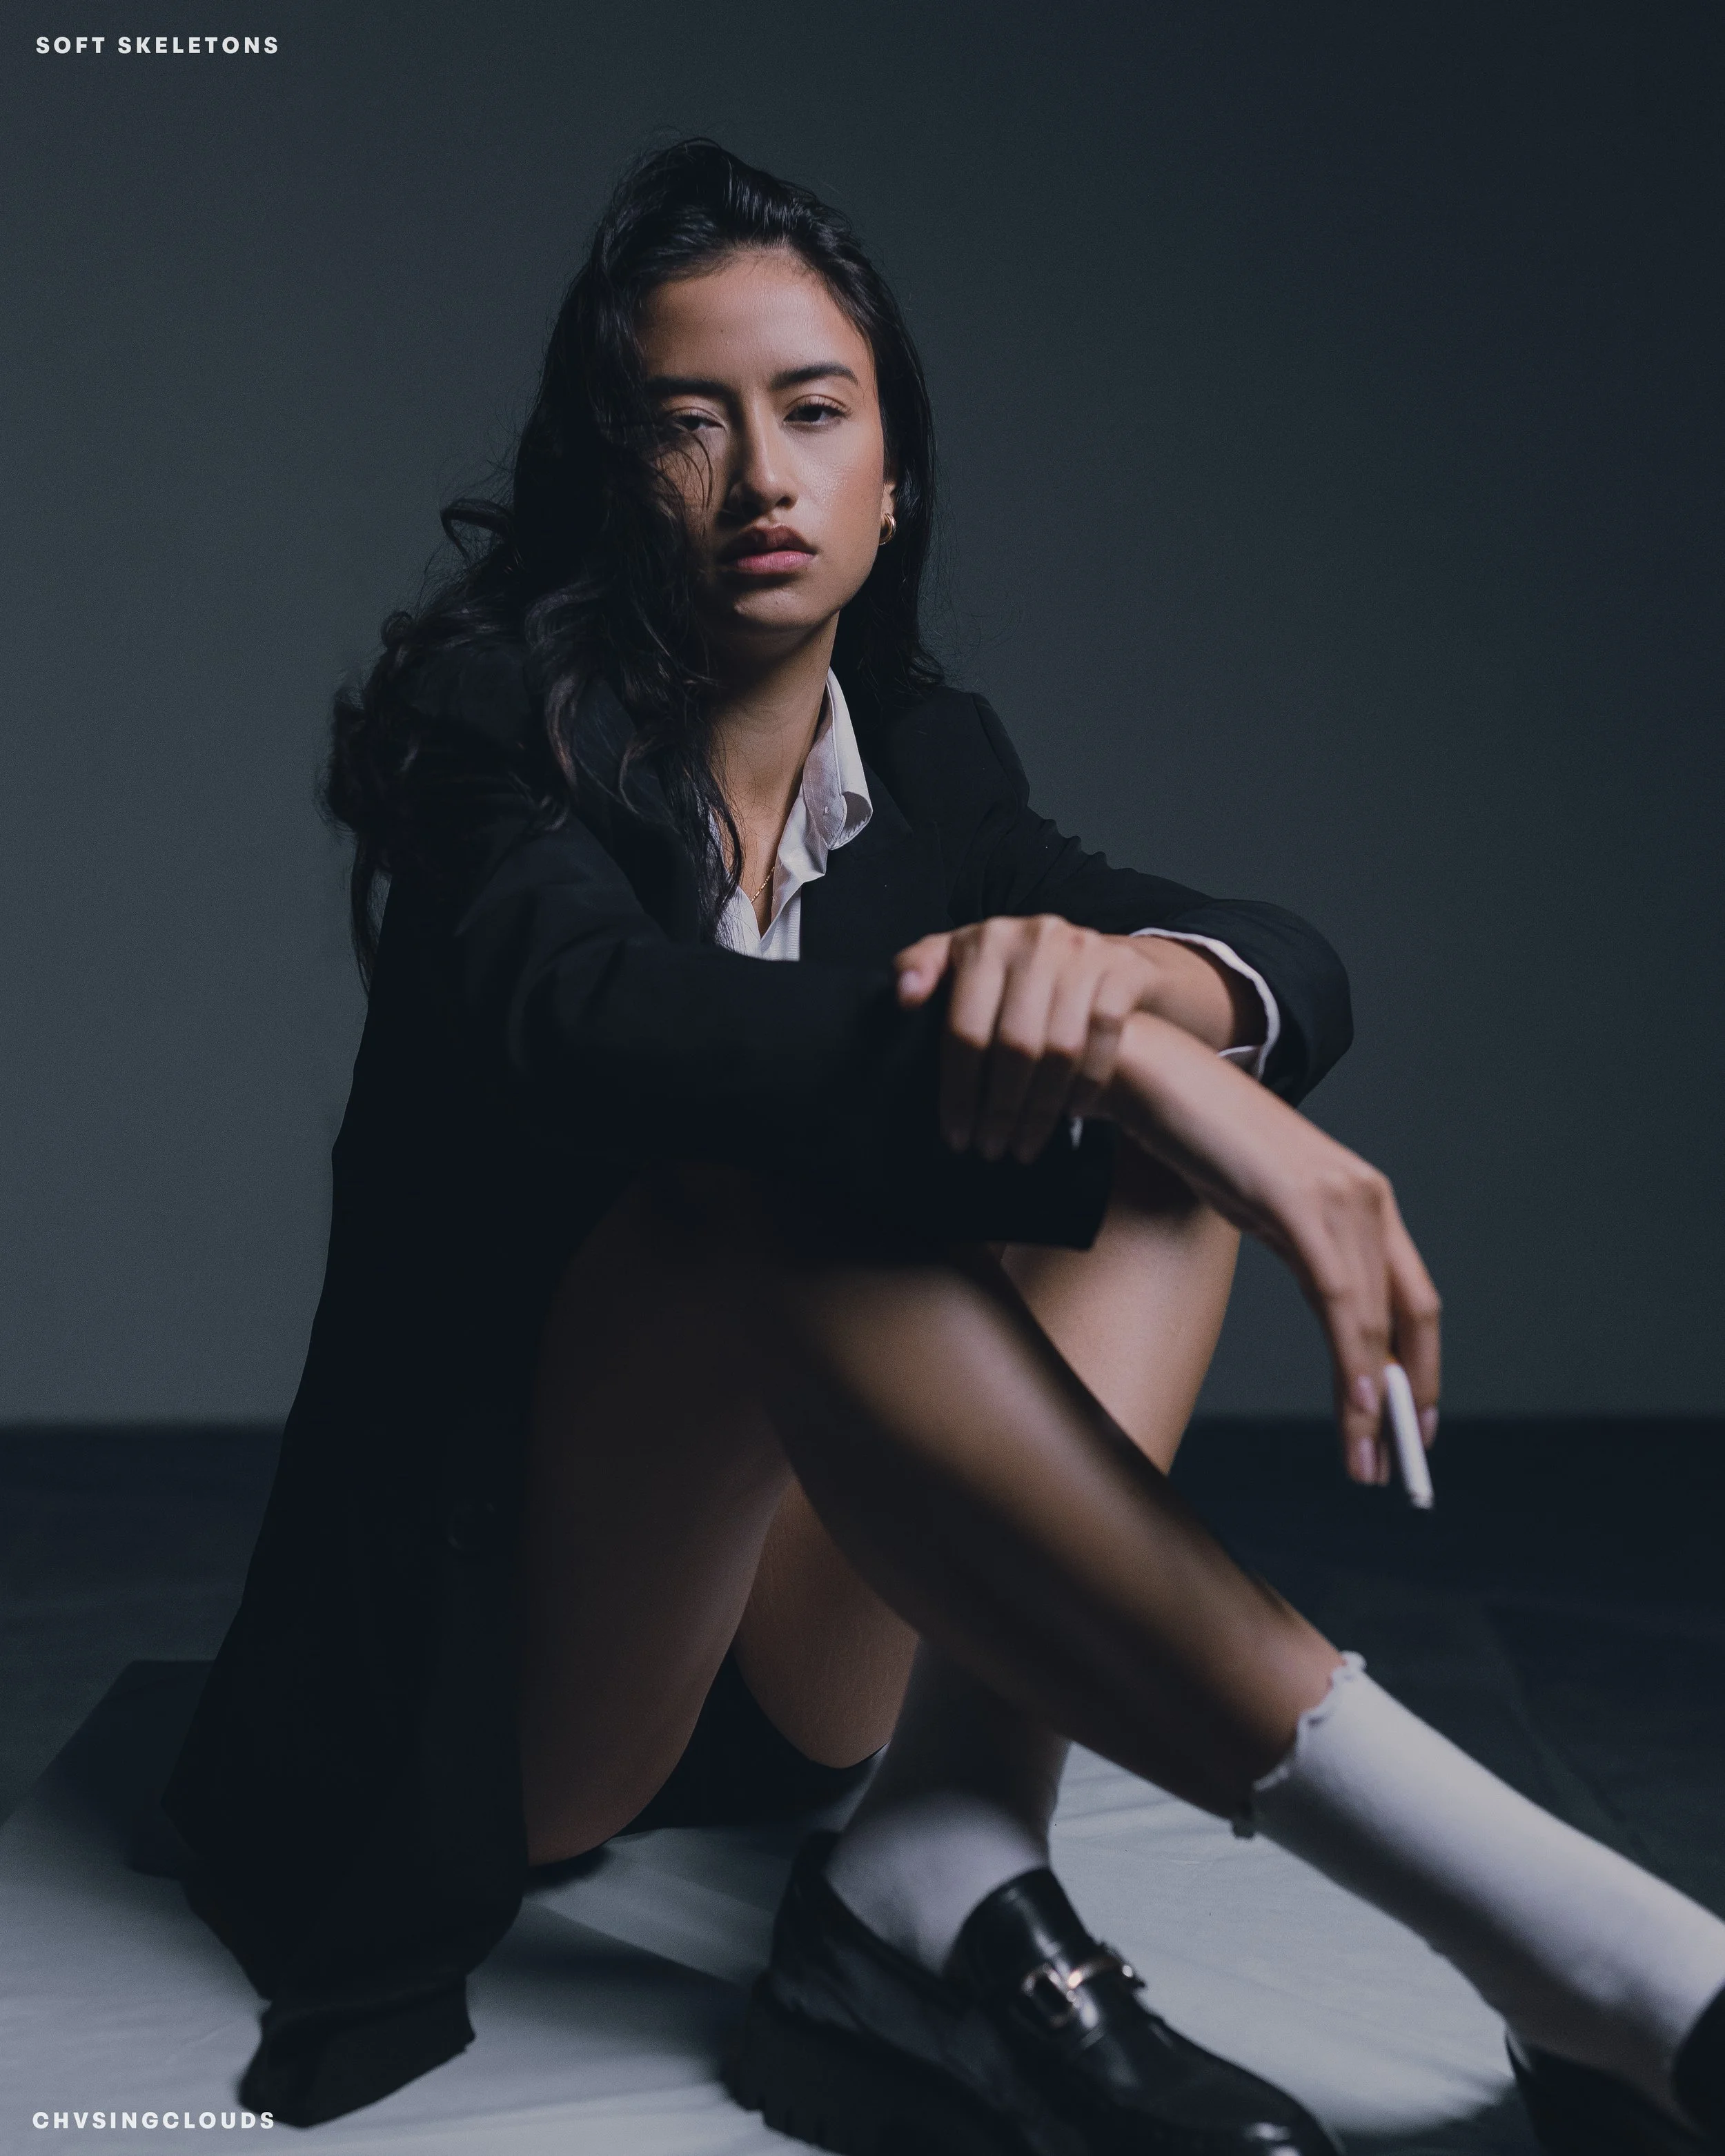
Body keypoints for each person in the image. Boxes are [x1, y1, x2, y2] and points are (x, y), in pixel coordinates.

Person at [161, 141, 1725, 2156]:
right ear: (604, 477)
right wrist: (1163, 1072)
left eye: (814, 414)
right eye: (684, 427)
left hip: (810, 1675)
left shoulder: (931, 772)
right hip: (506, 1688)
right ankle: (1592, 1955)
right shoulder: (493, 735)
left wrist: (1164, 1015)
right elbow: (611, 1026)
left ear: (892, 479)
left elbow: (1284, 957)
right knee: (752, 1198)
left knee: (1137, 1142)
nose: (760, 479)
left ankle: (938, 1852)